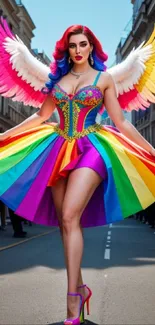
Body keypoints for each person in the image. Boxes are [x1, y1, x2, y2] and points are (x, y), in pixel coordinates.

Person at [0, 22, 155, 324]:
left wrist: (150, 150)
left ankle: (72, 303)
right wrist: (5, 137)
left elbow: (121, 122)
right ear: (66, 50)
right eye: (73, 45)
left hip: (93, 147)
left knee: (70, 215)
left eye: (83, 44)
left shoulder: (104, 78)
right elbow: (42, 116)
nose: (78, 50)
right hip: (58, 147)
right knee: (64, 223)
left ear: (91, 47)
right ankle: (81, 288)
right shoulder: (57, 79)